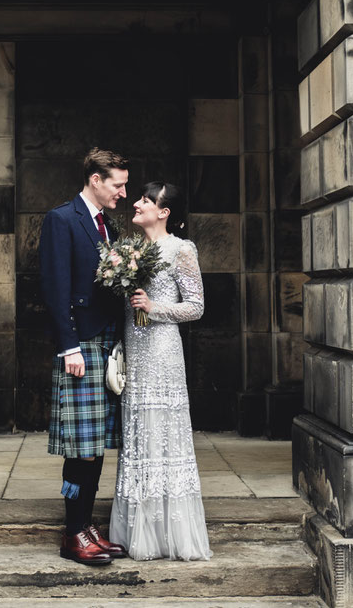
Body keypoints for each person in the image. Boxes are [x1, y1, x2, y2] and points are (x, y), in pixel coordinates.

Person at [109, 181, 212, 561]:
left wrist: (155, 308)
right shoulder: (130, 249)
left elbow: (196, 307)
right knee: (138, 434)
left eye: (146, 200)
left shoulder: (180, 250)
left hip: (163, 353)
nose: (136, 203)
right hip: (135, 350)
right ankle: (139, 529)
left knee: (162, 434)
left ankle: (169, 532)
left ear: (163, 212)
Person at [39, 147, 129, 566]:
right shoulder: (61, 219)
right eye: (118, 184)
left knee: (94, 444)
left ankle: (86, 526)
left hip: (105, 341)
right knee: (81, 446)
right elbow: (54, 289)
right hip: (81, 346)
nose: (123, 193)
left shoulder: (105, 224)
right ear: (96, 179)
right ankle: (74, 533)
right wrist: (68, 346)